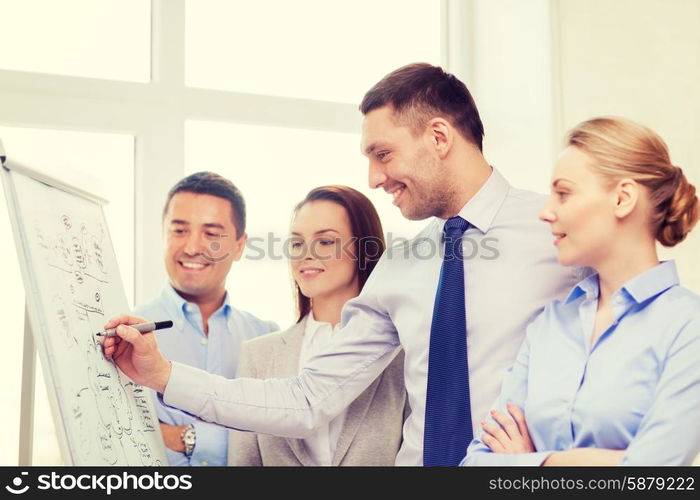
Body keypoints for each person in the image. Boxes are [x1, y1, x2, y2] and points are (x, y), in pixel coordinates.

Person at [102, 63, 583, 466]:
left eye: (383, 154)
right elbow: (308, 398)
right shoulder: (401, 267)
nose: (375, 178)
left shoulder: (559, 230)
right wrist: (163, 375)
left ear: (439, 136)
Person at [463, 117, 700, 466]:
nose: (546, 212)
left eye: (563, 193)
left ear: (622, 198)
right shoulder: (550, 325)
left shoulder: (688, 326)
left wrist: (529, 462)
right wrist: (572, 462)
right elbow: (474, 464)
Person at [229, 186, 408, 466]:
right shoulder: (259, 357)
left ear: (365, 249)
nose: (306, 254)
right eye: (298, 243)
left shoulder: (403, 354)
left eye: (325, 241)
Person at [134, 172, 278, 466]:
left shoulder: (268, 338)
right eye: (179, 231)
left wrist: (182, 437)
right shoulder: (128, 335)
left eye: (211, 234)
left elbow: (278, 445)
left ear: (239, 246)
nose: (192, 247)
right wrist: (238, 439)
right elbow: (120, 439)